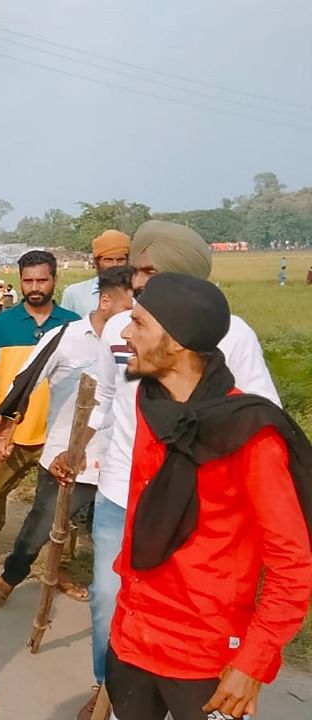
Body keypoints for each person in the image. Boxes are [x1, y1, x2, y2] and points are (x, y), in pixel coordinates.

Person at [76, 219, 281, 718]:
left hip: (195, 504)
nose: (138, 280)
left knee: (188, 609)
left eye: (149, 270)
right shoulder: (122, 335)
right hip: (121, 489)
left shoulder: (230, 336)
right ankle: (111, 684)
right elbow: (105, 398)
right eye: (137, 269)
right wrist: (79, 450)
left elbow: (256, 415)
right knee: (111, 599)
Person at [104, 273, 312, 720]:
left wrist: (252, 664)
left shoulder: (250, 437)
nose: (124, 332)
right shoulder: (151, 406)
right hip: (133, 638)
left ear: (176, 342)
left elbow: (291, 565)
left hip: (208, 658)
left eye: (137, 323)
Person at [0, 266, 135, 612]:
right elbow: (26, 381)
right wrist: (6, 427)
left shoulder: (136, 339)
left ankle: (117, 597)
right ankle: (10, 578)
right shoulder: (65, 336)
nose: (135, 312)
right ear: (106, 301)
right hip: (67, 455)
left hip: (120, 456)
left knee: (112, 533)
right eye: (130, 304)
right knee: (42, 521)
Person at [0, 251, 80, 549]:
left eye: (42, 280)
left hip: (57, 434)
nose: (35, 287)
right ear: (20, 281)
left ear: (54, 280)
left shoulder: (72, 325)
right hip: (12, 432)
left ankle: (48, 554)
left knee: (55, 500)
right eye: (28, 280)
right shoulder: (3, 324)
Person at [60, 230, 130, 316]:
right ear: (96, 262)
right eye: (108, 260)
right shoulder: (74, 294)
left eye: (120, 260)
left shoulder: (140, 295)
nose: (114, 265)